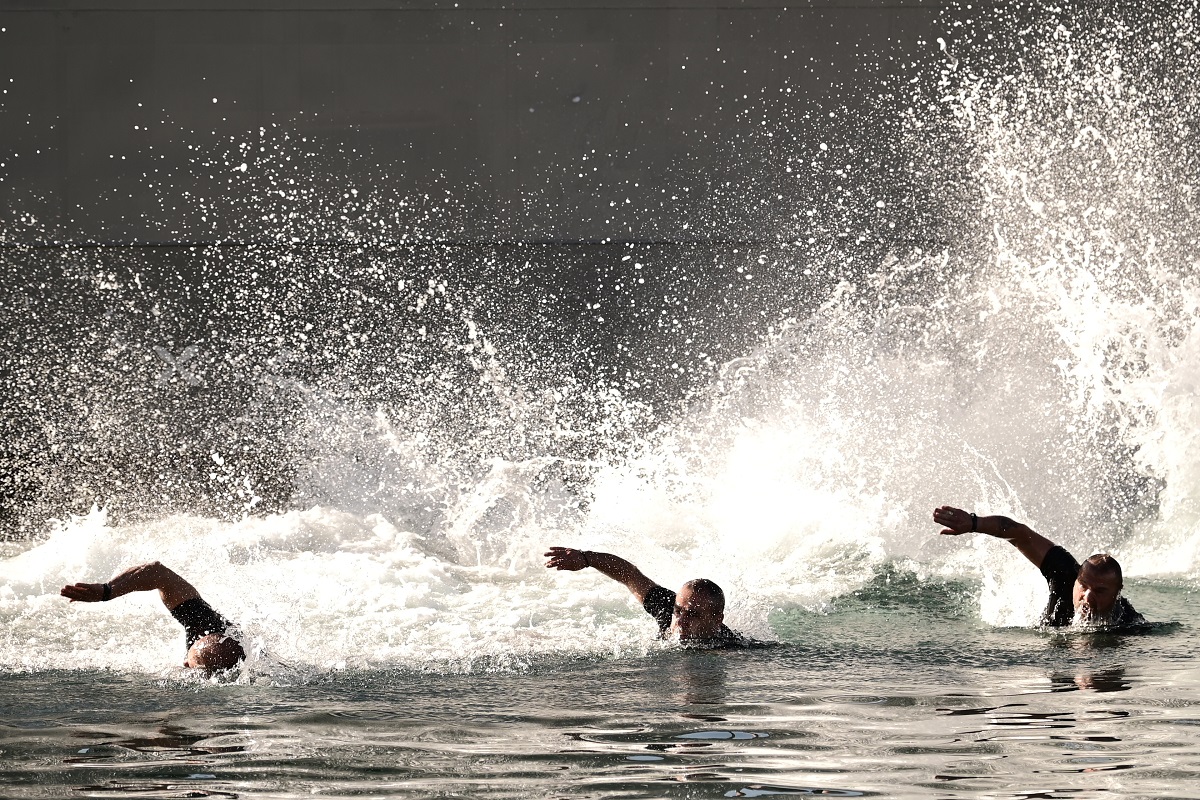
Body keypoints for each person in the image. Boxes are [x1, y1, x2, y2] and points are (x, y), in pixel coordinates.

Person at [932, 505, 1145, 629]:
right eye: (1084, 586)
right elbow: (1019, 534)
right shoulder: (1064, 573)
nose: (1088, 598)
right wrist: (973, 523)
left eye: (1100, 591)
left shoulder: (1128, 622)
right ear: (1076, 582)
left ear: (1117, 593)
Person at [544, 546, 750, 647]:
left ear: (717, 620)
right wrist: (586, 558)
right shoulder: (667, 608)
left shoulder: (732, 647)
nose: (680, 621)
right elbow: (630, 575)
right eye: (679, 611)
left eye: (693, 615)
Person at [60, 561, 245, 671]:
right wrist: (108, 591)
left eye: (191, 665)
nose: (185, 664)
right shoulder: (204, 623)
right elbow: (158, 572)